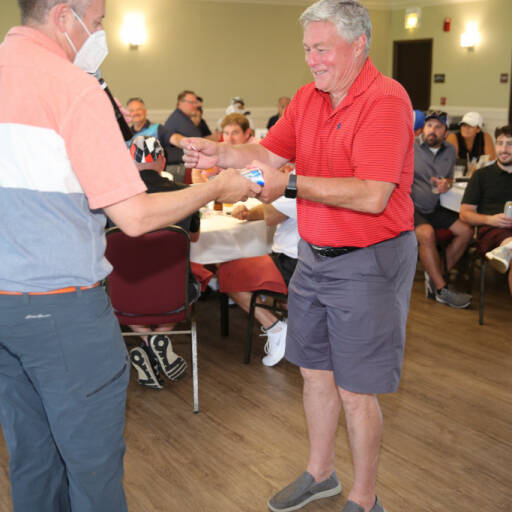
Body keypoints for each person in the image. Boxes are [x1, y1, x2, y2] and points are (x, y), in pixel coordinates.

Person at [0, 1, 260, 510]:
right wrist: (215, 189)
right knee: (92, 467)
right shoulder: (72, 87)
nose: (100, 34)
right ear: (63, 15)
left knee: (31, 458)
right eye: (96, 22)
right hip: (62, 307)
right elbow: (134, 217)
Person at [182, 2, 418, 511]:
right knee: (313, 370)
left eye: (322, 48)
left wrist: (290, 184)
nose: (311, 60)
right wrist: (220, 153)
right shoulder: (310, 100)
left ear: (359, 45)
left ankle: (364, 496)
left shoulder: (386, 101)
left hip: (369, 257)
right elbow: (267, 154)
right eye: (307, 48)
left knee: (356, 389)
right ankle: (320, 472)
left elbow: (373, 194)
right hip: (315, 255)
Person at [125, 135, 203, 389]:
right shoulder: (185, 193)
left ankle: (146, 340)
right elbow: (193, 237)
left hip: (125, 295)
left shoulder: (116, 201)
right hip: (173, 293)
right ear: (163, 160)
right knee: (192, 286)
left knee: (113, 290)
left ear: (129, 160)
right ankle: (158, 339)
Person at [219, 194, 299, 366]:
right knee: (245, 262)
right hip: (306, 257)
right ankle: (288, 327)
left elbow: (271, 215)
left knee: (227, 272)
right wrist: (250, 212)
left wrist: (266, 191)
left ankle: (275, 327)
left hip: (293, 261)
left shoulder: (297, 178)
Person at [412, 110, 474, 308]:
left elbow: (449, 177)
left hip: (434, 207)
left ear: (446, 132)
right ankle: (441, 289)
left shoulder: (449, 150)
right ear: (423, 128)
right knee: (427, 233)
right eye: (429, 125)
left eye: (438, 127)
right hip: (411, 207)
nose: (433, 130)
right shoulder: (409, 147)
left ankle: (434, 274)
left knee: (466, 231)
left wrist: (447, 183)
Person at [459, 125, 512, 293]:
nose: (503, 149)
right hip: (491, 231)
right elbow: (464, 215)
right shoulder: (482, 175)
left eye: (509, 144)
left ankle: (507, 250)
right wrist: (490, 219)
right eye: (500, 143)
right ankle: (506, 249)